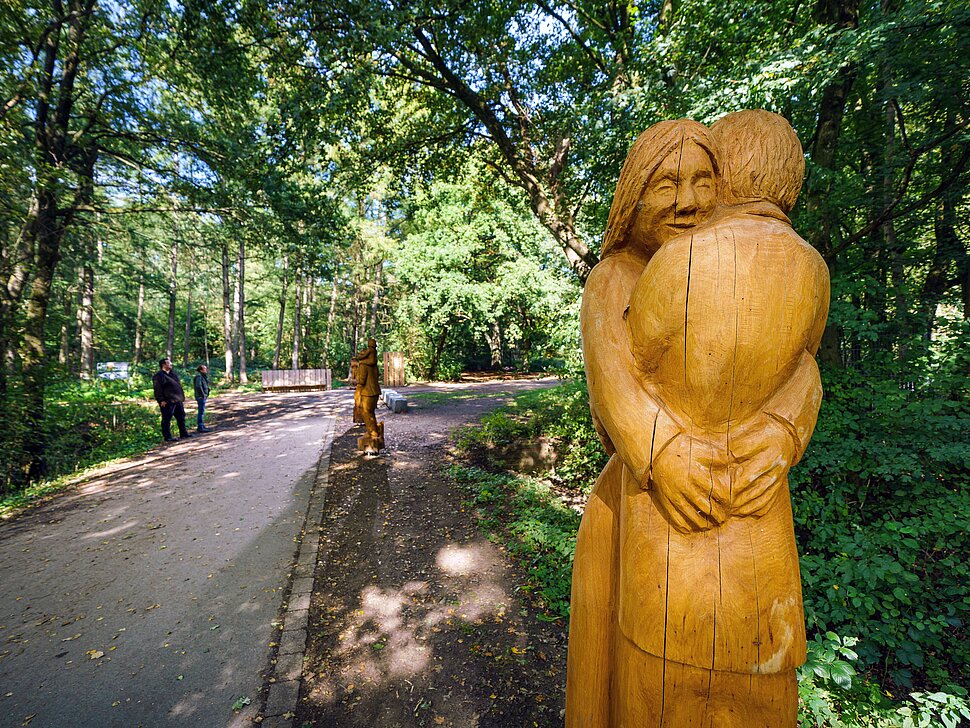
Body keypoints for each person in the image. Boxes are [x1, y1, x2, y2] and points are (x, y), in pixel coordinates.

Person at [567, 119, 720, 727]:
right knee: (618, 668)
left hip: (717, 524)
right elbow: (613, 386)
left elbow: (785, 365)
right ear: (633, 199)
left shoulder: (725, 270)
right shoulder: (614, 278)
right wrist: (663, 453)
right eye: (666, 185)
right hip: (634, 495)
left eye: (704, 181)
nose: (688, 200)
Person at [152, 358, 192, 442]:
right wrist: (161, 400)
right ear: (164, 365)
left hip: (177, 400)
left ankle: (183, 433)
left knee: (181, 417)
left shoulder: (173, 374)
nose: (171, 364)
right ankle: (167, 437)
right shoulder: (158, 376)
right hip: (167, 401)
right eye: (169, 363)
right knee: (166, 419)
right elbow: (157, 389)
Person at [193, 364, 213, 433]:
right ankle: (200, 427)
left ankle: (202, 425)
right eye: (204, 369)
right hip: (200, 397)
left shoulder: (202, 376)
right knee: (201, 412)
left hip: (202, 396)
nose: (206, 370)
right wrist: (203, 395)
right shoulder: (199, 376)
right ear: (201, 370)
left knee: (202, 411)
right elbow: (198, 386)